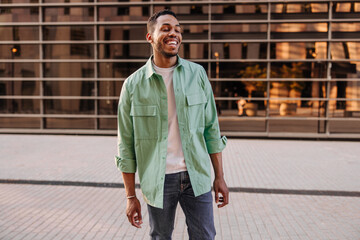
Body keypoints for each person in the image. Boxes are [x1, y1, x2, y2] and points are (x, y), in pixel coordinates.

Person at [115, 9, 229, 240]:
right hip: (159, 179)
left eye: (177, 29)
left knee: (205, 236)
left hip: (196, 174)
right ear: (150, 37)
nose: (173, 33)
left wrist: (219, 177)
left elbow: (211, 129)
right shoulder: (133, 85)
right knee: (160, 236)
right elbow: (125, 144)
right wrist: (130, 197)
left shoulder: (197, 74)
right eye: (166, 28)